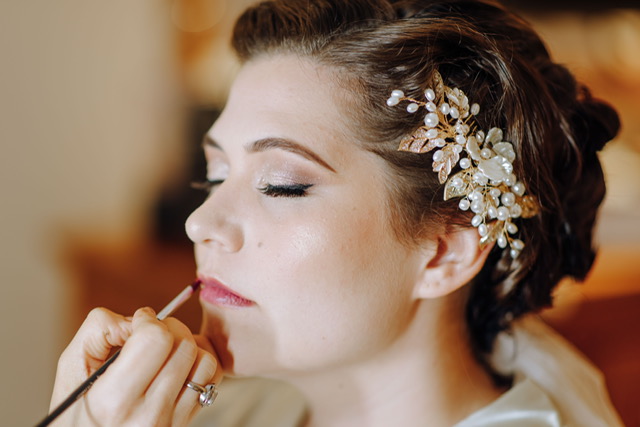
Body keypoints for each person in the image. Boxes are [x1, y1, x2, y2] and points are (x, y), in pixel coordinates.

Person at [46, 0, 625, 426]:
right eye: (215, 175)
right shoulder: (233, 411)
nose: (200, 223)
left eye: (281, 185)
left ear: (446, 251)